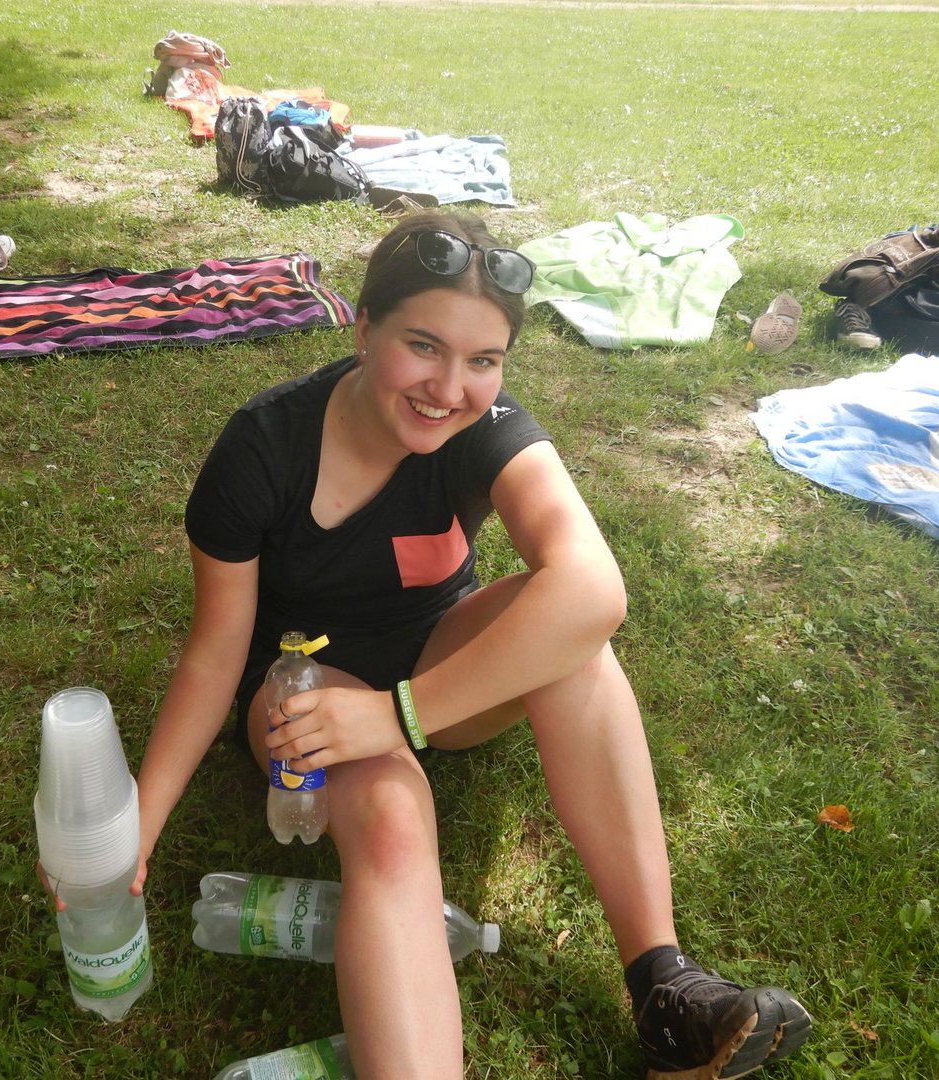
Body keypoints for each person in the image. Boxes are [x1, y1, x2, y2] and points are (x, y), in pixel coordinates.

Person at [133, 211, 812, 1079]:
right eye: (423, 345)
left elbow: (594, 588)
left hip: (440, 670)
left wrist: (399, 714)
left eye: (484, 359)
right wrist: (136, 829)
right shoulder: (264, 448)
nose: (449, 388)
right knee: (391, 816)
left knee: (574, 637)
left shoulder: (485, 426)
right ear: (363, 327)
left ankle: (663, 987)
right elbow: (214, 654)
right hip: (302, 687)